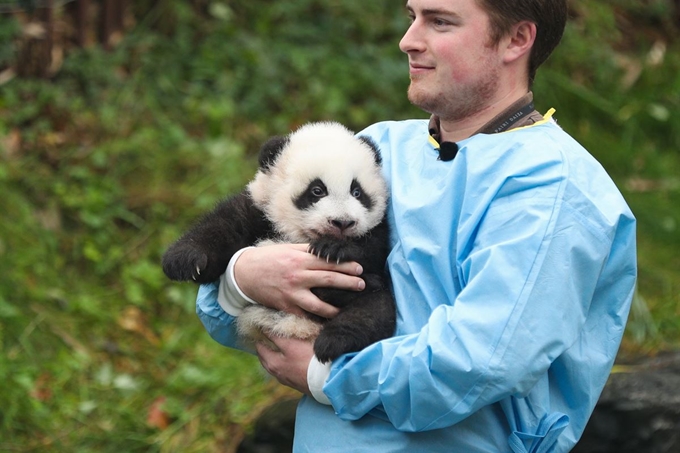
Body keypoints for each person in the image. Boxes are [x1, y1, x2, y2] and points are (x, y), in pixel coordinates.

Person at [195, 0, 637, 451]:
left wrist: (328, 376)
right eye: (412, 16)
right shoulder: (379, 146)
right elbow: (229, 311)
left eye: (440, 21)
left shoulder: (554, 189)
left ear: (517, 40)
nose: (408, 40)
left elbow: (481, 361)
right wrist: (241, 278)